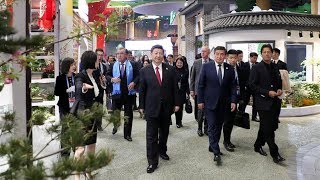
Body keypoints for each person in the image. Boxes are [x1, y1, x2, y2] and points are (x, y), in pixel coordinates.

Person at [139, 44, 179, 173]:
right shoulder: (145, 70)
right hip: (151, 107)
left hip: (167, 107)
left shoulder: (171, 69)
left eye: (160, 53)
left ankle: (162, 150)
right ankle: (152, 161)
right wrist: (141, 106)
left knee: (164, 132)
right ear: (151, 55)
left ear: (163, 55)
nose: (158, 55)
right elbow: (142, 90)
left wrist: (177, 103)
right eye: (155, 53)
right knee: (151, 136)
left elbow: (175, 89)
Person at [197, 46, 237, 165]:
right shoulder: (206, 67)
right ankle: (216, 152)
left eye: (222, 54)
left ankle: (212, 145)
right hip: (209, 102)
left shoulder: (230, 68)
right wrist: (200, 101)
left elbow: (233, 86)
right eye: (217, 54)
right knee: (212, 126)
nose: (219, 56)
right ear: (214, 55)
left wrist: (233, 101)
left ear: (225, 56)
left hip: (224, 103)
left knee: (219, 126)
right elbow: (201, 85)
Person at [248, 44, 285, 164]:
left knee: (269, 125)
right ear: (261, 54)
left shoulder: (275, 66)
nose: (267, 54)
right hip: (262, 102)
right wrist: (267, 92)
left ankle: (257, 145)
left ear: (272, 53)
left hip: (275, 102)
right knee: (269, 129)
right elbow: (252, 85)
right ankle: (275, 153)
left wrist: (279, 89)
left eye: (269, 52)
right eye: (264, 52)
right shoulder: (256, 68)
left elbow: (279, 81)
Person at [74, 51, 106, 180]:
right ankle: (77, 176)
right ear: (90, 62)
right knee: (80, 148)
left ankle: (89, 171)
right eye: (97, 60)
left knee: (92, 145)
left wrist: (103, 82)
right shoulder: (80, 76)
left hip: (94, 114)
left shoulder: (96, 74)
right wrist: (83, 87)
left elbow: (100, 89)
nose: (99, 61)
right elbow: (78, 88)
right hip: (83, 115)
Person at [107, 48, 139, 141]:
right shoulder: (113, 65)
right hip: (117, 93)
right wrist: (112, 79)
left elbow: (138, 76)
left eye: (121, 53)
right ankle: (115, 126)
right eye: (117, 54)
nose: (119, 55)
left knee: (128, 114)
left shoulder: (133, 64)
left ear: (126, 55)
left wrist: (134, 82)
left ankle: (127, 134)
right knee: (115, 113)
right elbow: (107, 75)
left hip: (129, 93)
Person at [54, 57, 76, 157]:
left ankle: (76, 148)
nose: (74, 66)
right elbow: (56, 92)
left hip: (75, 106)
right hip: (64, 106)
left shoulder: (77, 77)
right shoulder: (60, 78)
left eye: (74, 64)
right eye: (72, 65)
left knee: (76, 127)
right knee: (66, 129)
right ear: (66, 66)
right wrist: (67, 90)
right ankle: (65, 151)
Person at [222, 49, 243, 152]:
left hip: (237, 98)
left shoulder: (241, 68)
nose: (233, 60)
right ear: (227, 58)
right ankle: (226, 141)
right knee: (226, 121)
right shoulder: (224, 69)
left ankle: (228, 140)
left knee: (230, 121)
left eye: (235, 57)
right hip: (226, 100)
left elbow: (243, 84)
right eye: (231, 58)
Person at [190, 46, 212, 137]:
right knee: (200, 110)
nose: (202, 53)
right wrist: (191, 90)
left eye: (204, 51)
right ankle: (199, 128)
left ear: (209, 52)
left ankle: (206, 128)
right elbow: (192, 77)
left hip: (209, 91)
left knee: (208, 111)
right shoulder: (196, 62)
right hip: (199, 91)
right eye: (202, 51)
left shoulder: (212, 63)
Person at [238, 52, 259, 122]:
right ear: (250, 57)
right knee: (244, 102)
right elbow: (242, 77)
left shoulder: (258, 65)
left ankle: (254, 116)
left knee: (256, 103)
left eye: (256, 58)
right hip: (246, 88)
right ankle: (241, 115)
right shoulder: (244, 65)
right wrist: (244, 86)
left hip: (255, 87)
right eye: (254, 58)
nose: (255, 59)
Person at [272, 48, 287, 123]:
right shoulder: (269, 63)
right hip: (271, 88)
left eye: (273, 53)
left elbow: (286, 75)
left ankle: (276, 117)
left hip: (280, 87)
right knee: (271, 104)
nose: (271, 54)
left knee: (278, 104)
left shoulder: (283, 64)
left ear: (277, 54)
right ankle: (271, 117)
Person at [174, 57, 190, 128]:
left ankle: (179, 121)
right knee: (176, 106)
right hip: (175, 91)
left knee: (180, 107)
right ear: (176, 63)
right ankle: (176, 121)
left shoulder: (185, 71)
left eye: (181, 63)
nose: (179, 64)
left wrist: (188, 92)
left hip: (182, 91)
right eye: (178, 63)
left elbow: (186, 82)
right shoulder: (173, 70)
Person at [95, 48, 108, 131]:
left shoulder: (103, 66)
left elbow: (105, 76)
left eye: (101, 55)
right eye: (98, 55)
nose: (99, 57)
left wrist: (104, 79)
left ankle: (99, 125)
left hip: (101, 89)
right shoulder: (91, 65)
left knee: (99, 107)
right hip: (92, 89)